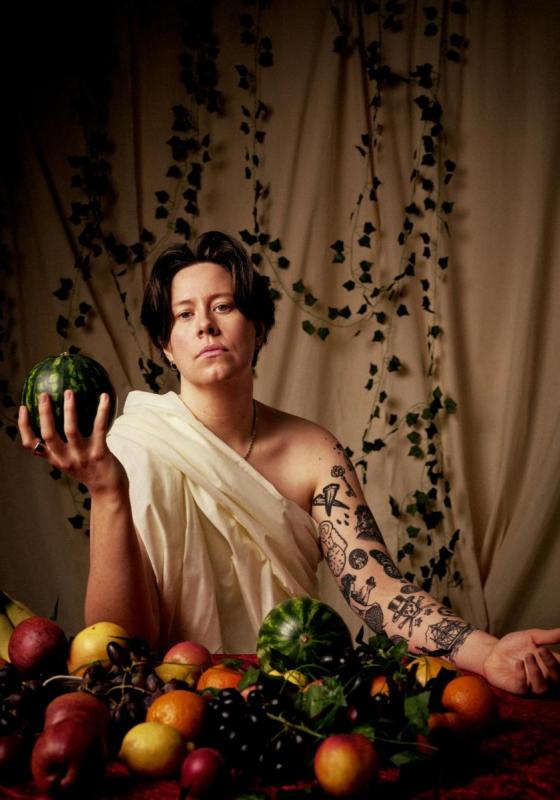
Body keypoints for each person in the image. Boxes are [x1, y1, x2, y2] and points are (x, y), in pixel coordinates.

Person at [19, 231, 560, 696]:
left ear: (258, 328)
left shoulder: (313, 452)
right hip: (167, 711)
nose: (205, 325)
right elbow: (120, 646)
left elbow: (379, 591)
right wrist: (109, 492)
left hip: (290, 700)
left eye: (224, 307)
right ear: (166, 345)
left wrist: (486, 651)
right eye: (184, 315)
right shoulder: (132, 445)